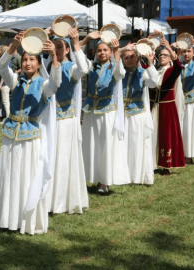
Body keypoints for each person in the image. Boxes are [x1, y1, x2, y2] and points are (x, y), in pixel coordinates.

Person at [0, 31, 61, 234]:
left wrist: (55, 57)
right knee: (10, 175)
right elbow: (1, 67)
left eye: (32, 59)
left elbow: (56, 83)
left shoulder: (44, 85)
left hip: (31, 138)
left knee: (26, 177)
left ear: (39, 64)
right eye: (24, 59)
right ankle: (6, 217)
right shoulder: (15, 81)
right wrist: (13, 46)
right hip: (10, 135)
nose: (27, 63)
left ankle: (24, 218)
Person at [44, 28, 89, 214]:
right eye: (54, 47)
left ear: (67, 49)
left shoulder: (70, 67)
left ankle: (60, 201)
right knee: (47, 159)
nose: (57, 49)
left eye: (60, 47)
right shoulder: (45, 66)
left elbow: (84, 69)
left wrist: (77, 42)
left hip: (64, 121)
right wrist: (42, 35)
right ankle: (46, 198)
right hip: (46, 120)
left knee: (62, 159)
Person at [80, 33, 130, 194]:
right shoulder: (91, 67)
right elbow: (78, 57)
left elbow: (120, 73)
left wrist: (117, 52)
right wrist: (86, 39)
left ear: (110, 52)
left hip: (107, 111)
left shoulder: (114, 67)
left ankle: (104, 181)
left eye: (105, 50)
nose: (102, 53)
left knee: (106, 145)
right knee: (91, 144)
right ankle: (93, 176)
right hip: (90, 111)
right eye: (99, 50)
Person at [120, 44, 158, 185]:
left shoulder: (143, 73)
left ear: (137, 58)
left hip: (137, 115)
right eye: (126, 57)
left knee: (136, 144)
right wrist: (122, 49)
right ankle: (123, 175)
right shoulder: (120, 73)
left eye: (132, 57)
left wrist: (150, 63)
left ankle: (136, 176)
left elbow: (154, 83)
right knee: (124, 144)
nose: (129, 59)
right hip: (122, 114)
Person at [150, 39, 185, 175]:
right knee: (153, 134)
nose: (162, 57)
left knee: (166, 135)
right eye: (160, 55)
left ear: (170, 58)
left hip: (166, 108)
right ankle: (152, 162)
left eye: (165, 55)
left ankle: (166, 164)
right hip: (154, 107)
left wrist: (170, 50)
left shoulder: (171, 70)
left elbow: (179, 67)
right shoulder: (155, 71)